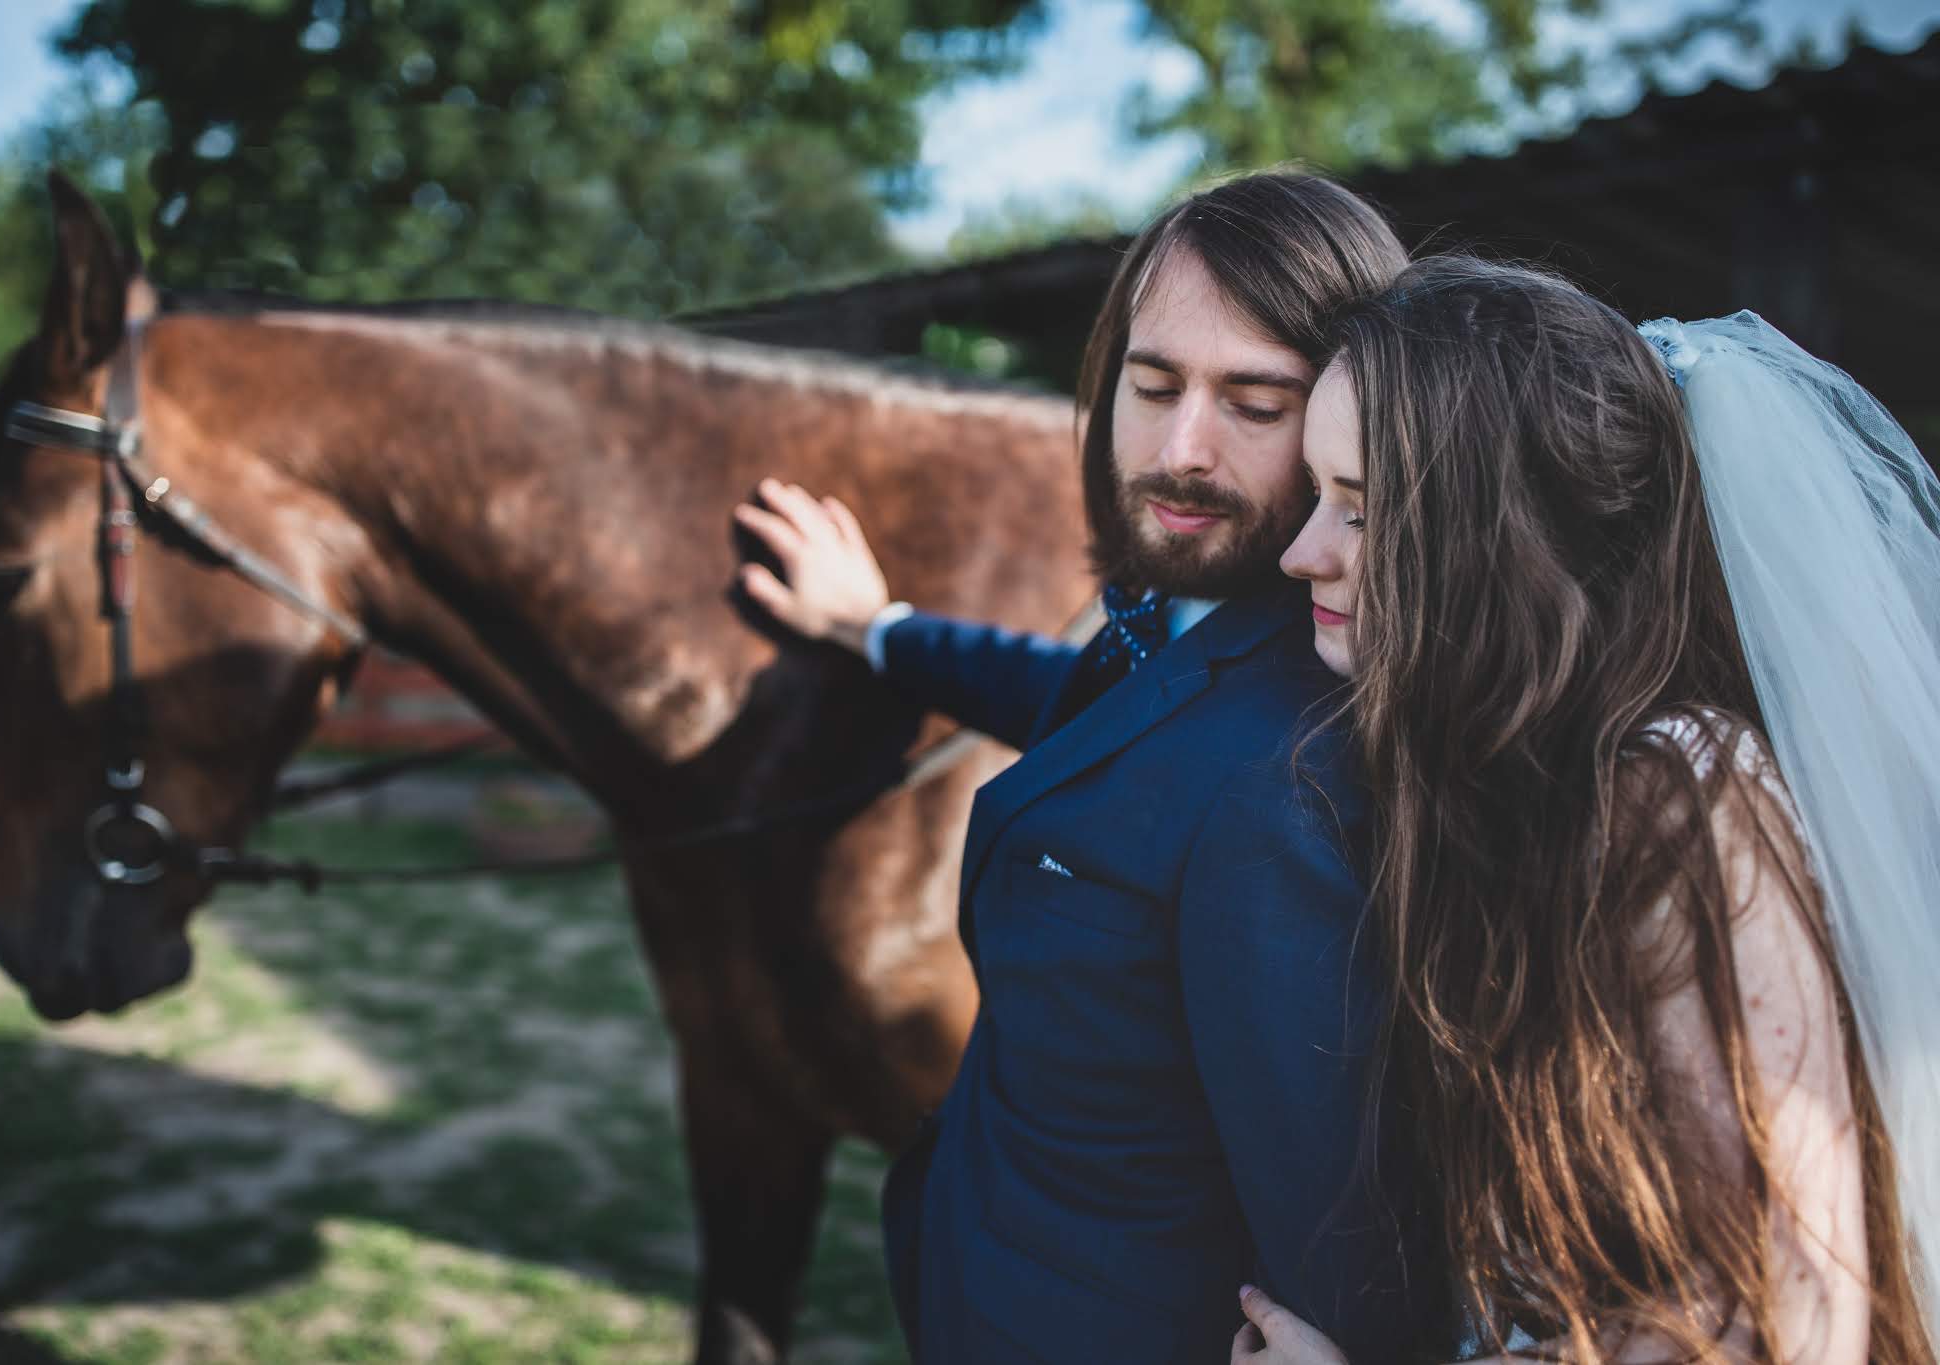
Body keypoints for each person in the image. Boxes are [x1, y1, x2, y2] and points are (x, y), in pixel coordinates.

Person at [733, 171, 1450, 1363]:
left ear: (1349, 420)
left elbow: (1338, 1229)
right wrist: (877, 629)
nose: (1179, 450)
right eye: (1152, 382)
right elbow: (1080, 711)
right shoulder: (1186, 621)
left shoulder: (1292, 775)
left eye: (1255, 404)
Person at [1239, 256, 1939, 1364]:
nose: (1298, 552)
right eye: (1314, 497)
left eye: (1362, 512)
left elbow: (1784, 1309)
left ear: (1496, 539)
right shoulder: (1506, 785)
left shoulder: (1673, 794)